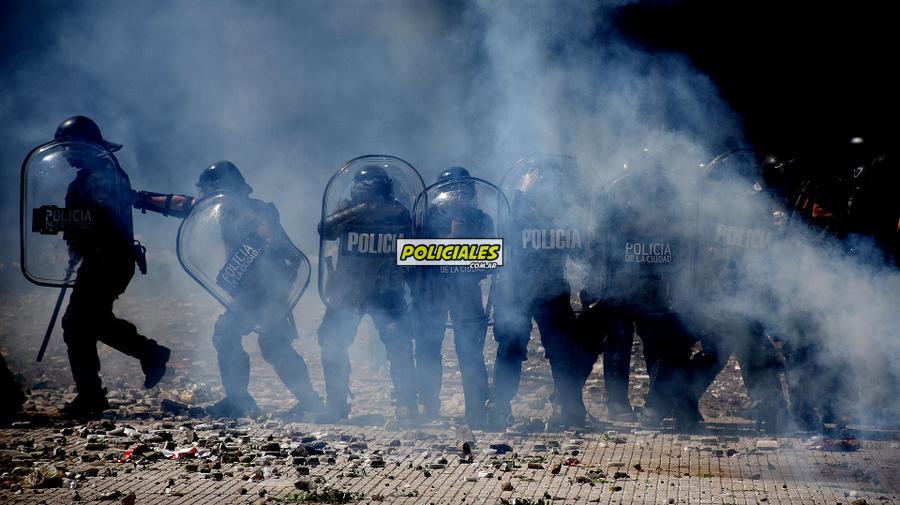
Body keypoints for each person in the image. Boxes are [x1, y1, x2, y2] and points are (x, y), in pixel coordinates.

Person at [138, 161, 322, 418]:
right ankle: (295, 401)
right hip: (250, 290)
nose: (204, 198)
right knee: (265, 342)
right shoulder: (222, 210)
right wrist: (140, 199)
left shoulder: (258, 211)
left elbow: (274, 241)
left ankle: (247, 401)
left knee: (239, 337)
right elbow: (185, 205)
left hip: (266, 289)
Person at [42, 116, 171, 416]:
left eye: (70, 147)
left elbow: (99, 219)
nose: (66, 154)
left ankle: (101, 388)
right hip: (102, 259)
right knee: (84, 323)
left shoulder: (102, 175)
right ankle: (137, 362)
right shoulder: (95, 173)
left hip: (109, 260)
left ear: (83, 146)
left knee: (79, 322)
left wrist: (57, 220)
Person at [580, 161, 699, 429]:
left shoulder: (669, 216)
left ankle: (655, 408)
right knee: (618, 347)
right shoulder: (614, 212)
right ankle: (619, 405)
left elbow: (679, 254)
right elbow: (598, 249)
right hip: (621, 291)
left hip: (654, 292)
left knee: (656, 349)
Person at [489, 156, 594, 427]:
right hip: (518, 293)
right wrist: (520, 194)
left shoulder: (562, 217)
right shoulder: (518, 211)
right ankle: (500, 406)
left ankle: (566, 406)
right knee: (511, 348)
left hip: (553, 292)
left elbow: (582, 251)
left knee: (561, 350)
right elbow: (507, 233)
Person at [316, 164, 418, 422]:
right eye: (362, 189)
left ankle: (407, 406)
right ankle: (336, 405)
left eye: (371, 189)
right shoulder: (348, 210)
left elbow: (412, 242)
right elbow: (325, 231)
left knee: (399, 345)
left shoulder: (398, 213)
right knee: (332, 341)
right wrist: (358, 209)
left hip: (387, 290)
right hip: (349, 290)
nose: (366, 194)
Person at [414, 167, 494, 427]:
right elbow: (414, 256)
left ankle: (476, 410)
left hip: (466, 291)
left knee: (470, 352)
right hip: (433, 290)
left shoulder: (482, 220)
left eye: (464, 190)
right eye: (454, 190)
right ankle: (427, 406)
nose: (459, 196)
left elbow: (492, 261)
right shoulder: (426, 219)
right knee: (428, 348)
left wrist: (466, 258)